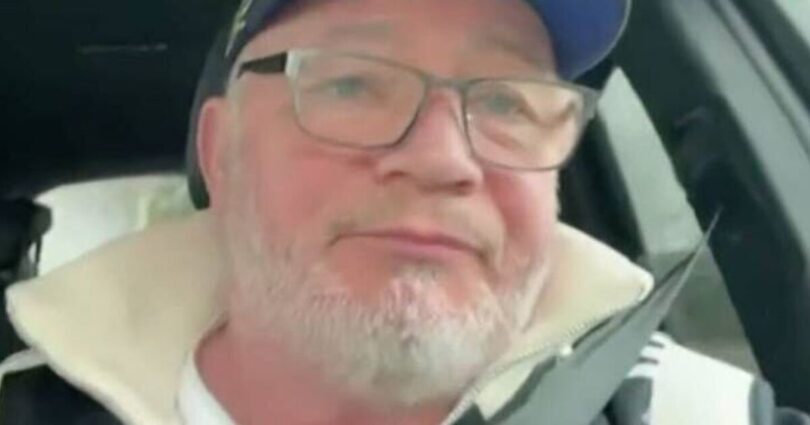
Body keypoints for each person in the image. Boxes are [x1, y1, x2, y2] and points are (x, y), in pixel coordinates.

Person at [0, 0, 808, 424]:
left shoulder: (701, 414)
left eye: (507, 101)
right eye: (353, 82)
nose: (443, 159)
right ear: (222, 152)